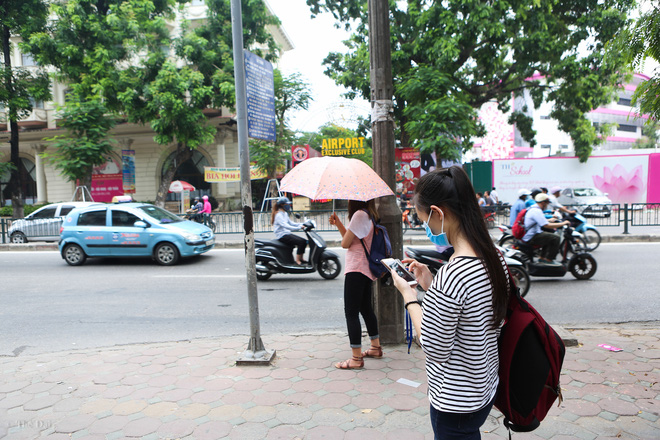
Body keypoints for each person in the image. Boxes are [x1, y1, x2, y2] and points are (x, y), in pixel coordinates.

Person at [388, 166, 511, 440]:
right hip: (484, 384)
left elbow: (434, 347)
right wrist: (431, 285)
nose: (425, 226)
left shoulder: (454, 272)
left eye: (423, 219)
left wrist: (410, 296)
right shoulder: (493, 256)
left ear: (438, 213)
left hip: (456, 402)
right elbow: (470, 312)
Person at [329, 200, 382, 370]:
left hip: (356, 269)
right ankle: (375, 347)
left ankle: (356, 359)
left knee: (351, 312)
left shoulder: (359, 215)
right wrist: (339, 224)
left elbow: (345, 244)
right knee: (365, 309)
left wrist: (344, 225)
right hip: (365, 269)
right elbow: (351, 240)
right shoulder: (368, 215)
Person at [522, 193, 570, 265]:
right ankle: (549, 259)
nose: (547, 206)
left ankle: (542, 258)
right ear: (543, 202)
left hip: (533, 234)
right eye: (547, 204)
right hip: (532, 237)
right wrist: (563, 223)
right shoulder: (536, 211)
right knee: (556, 238)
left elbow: (541, 221)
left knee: (548, 236)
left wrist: (550, 220)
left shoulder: (534, 209)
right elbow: (546, 225)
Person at [271, 196, 307, 265]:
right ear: (282, 205)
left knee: (304, 241)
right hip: (282, 235)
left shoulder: (285, 213)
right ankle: (297, 261)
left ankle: (301, 258)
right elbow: (286, 226)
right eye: (287, 204)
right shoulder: (279, 215)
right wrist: (299, 228)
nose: (288, 206)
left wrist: (302, 224)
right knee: (301, 242)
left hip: (286, 234)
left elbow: (291, 223)